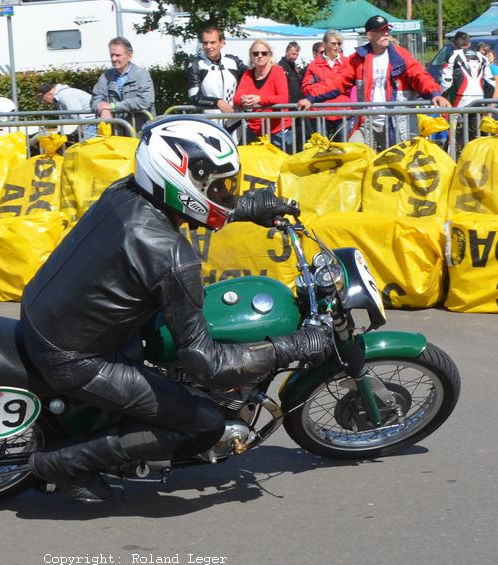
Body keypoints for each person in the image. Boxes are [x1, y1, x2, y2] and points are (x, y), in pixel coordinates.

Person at [23, 115, 332, 503]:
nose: (225, 194)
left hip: (50, 315)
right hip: (74, 359)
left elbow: (190, 204)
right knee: (203, 424)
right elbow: (209, 364)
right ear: (179, 182)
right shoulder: (172, 258)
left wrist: (248, 206)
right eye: (218, 188)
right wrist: (294, 346)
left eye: (227, 186)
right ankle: (64, 464)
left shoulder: (126, 192)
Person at [298, 15, 451, 151]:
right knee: (354, 156)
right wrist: (311, 98)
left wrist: (434, 93)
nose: (386, 33)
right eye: (381, 30)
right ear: (370, 35)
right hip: (367, 122)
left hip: (398, 123)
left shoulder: (400, 55)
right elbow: (336, 83)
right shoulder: (357, 59)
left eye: (387, 30)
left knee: (398, 165)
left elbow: (419, 75)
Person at [233, 40, 293, 150]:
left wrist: (259, 99)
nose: (260, 56)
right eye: (256, 53)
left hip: (278, 130)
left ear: (269, 55)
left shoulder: (277, 72)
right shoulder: (247, 74)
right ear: (251, 56)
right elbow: (236, 98)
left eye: (264, 53)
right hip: (255, 129)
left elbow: (283, 98)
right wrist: (243, 100)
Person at [440, 32, 495, 148]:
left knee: (453, 132)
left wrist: (444, 100)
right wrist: (487, 102)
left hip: (459, 99)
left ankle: (452, 156)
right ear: (469, 44)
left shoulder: (452, 55)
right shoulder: (482, 57)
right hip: (478, 101)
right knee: (475, 134)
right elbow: (491, 83)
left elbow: (446, 81)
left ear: (454, 44)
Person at [91, 37, 156, 132]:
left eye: (118, 55)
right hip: (116, 134)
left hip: (140, 132)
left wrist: (113, 106)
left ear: (129, 56)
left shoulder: (142, 74)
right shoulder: (105, 76)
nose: (113, 59)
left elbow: (145, 101)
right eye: (111, 55)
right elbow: (95, 99)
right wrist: (102, 109)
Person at [302, 30, 351, 142]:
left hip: (342, 111)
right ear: (324, 44)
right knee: (321, 148)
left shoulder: (346, 62)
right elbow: (306, 89)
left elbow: (349, 86)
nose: (337, 47)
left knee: (342, 148)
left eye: (339, 44)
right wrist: (327, 86)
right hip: (320, 112)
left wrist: (321, 87)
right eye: (333, 44)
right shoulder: (314, 66)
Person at [186, 26, 246, 115]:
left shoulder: (234, 61)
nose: (208, 46)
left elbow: (252, 77)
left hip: (235, 121)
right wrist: (217, 102)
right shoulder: (196, 64)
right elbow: (194, 97)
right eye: (205, 43)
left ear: (222, 43)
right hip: (211, 122)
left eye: (212, 42)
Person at [277, 41, 304, 148]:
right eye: (293, 54)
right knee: (288, 140)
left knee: (297, 137)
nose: (295, 57)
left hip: (297, 108)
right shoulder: (281, 68)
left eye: (297, 54)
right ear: (287, 52)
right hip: (288, 109)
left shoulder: (294, 68)